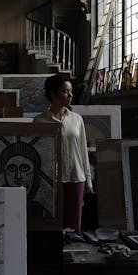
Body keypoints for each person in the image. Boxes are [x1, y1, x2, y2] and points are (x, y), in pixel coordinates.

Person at [33, 74, 92, 233]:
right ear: (53, 94)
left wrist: (88, 179)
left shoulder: (77, 119)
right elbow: (37, 154)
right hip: (51, 179)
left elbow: (82, 151)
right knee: (52, 225)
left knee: (73, 226)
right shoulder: (39, 121)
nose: (71, 95)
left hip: (75, 177)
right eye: (65, 91)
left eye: (71, 91)